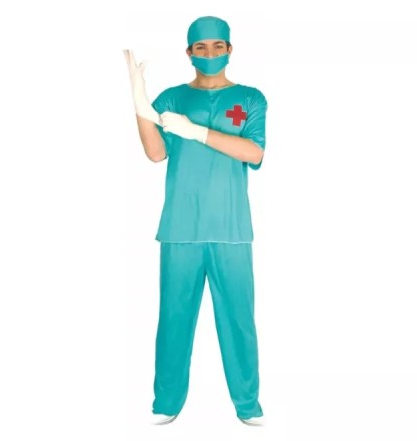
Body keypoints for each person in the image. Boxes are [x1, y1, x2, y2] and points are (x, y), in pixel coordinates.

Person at [123, 15, 268, 426]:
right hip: (180, 229)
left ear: (229, 49)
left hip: (231, 230)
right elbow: (156, 153)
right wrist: (139, 101)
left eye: (217, 45)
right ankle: (166, 402)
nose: (209, 53)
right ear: (188, 52)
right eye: (200, 47)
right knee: (173, 319)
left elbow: (254, 153)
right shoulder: (172, 98)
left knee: (238, 321)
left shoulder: (250, 99)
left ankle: (248, 405)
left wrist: (198, 132)